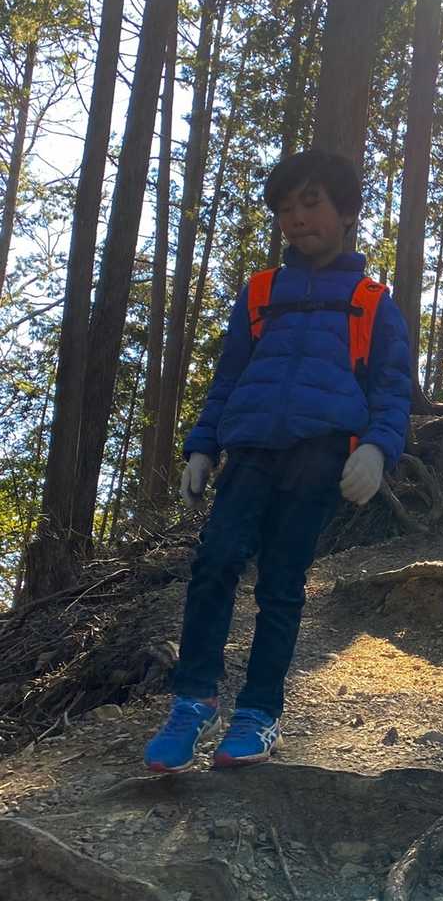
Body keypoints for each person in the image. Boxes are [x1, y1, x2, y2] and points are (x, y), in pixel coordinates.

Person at [143, 149, 412, 773]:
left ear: (347, 213)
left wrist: (378, 448)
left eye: (310, 203)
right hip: (250, 450)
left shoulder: (373, 300)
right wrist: (202, 445)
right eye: (286, 208)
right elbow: (229, 375)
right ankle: (192, 702)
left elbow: (392, 388)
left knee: (282, 583)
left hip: (320, 454)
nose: (296, 218)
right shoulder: (260, 292)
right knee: (214, 563)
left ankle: (258, 714)